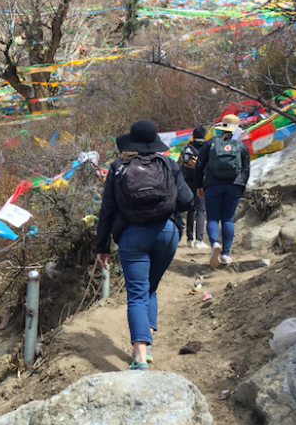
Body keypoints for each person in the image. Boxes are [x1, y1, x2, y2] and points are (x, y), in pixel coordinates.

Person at [96, 120, 194, 371]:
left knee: (137, 294)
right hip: (167, 233)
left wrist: (102, 247)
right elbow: (186, 201)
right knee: (150, 287)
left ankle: (140, 357)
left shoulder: (118, 168)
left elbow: (107, 211)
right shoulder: (168, 164)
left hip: (132, 236)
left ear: (132, 142)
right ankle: (148, 343)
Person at [195, 114, 251, 268]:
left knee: (212, 218)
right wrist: (241, 186)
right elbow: (246, 169)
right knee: (227, 219)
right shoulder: (241, 146)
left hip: (213, 184)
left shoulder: (210, 143)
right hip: (234, 185)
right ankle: (225, 254)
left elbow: (199, 164)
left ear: (222, 127)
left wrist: (199, 185)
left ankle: (214, 244)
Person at [180, 126, 208, 249]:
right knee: (201, 210)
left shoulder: (187, 148)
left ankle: (190, 238)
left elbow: (181, 166)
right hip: (202, 181)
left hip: (188, 181)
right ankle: (199, 240)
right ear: (205, 136)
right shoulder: (208, 147)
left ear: (193, 135)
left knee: (191, 209)